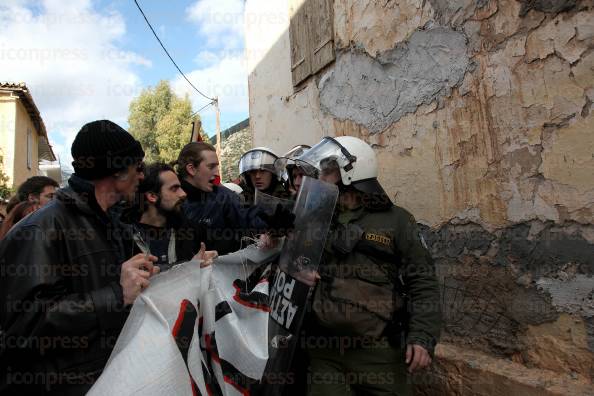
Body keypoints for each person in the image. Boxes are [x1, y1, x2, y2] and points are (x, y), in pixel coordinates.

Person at [0, 120, 159, 395]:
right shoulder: (40, 229)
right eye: (138, 167)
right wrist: (116, 295)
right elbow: (24, 328)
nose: (142, 176)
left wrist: (186, 269)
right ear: (118, 171)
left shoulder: (112, 222)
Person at [296, 136, 441, 396]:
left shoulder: (397, 220)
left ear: (351, 172)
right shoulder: (316, 218)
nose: (321, 176)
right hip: (325, 350)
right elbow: (295, 263)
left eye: (328, 170)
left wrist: (422, 337)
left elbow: (423, 282)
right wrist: (300, 271)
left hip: (380, 351)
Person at [177, 142, 294, 255]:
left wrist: (269, 223)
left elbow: (246, 215)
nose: (217, 173)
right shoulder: (170, 201)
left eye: (216, 167)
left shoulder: (223, 196)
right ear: (191, 169)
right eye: (211, 167)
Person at [130, 162, 217, 270]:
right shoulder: (124, 239)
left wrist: (199, 265)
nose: (183, 194)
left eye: (180, 187)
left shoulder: (193, 233)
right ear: (152, 196)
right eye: (174, 188)